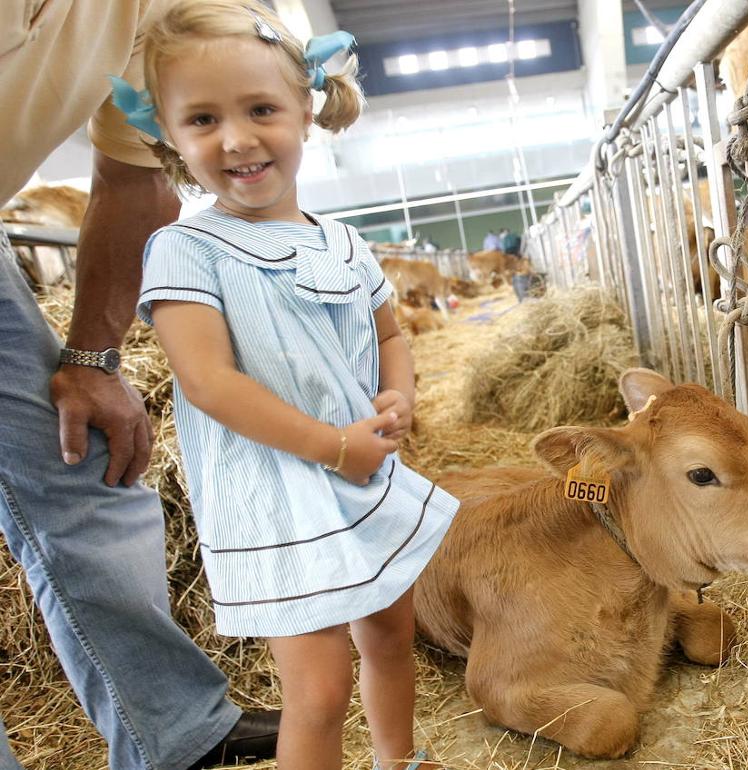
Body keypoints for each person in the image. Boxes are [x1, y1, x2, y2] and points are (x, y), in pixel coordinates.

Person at [120, 3, 458, 768]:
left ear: (307, 110)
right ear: (168, 135)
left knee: (391, 638)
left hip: (363, 473)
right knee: (319, 691)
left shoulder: (344, 243)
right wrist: (332, 445)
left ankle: (398, 759)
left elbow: (390, 335)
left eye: (261, 109)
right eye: (202, 119)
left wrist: (398, 396)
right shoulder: (185, 249)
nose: (236, 139)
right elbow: (208, 381)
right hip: (277, 496)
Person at [0, 2, 281, 768]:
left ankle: (177, 732)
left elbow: (135, 179)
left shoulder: (160, 10)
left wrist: (93, 360)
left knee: (75, 466)